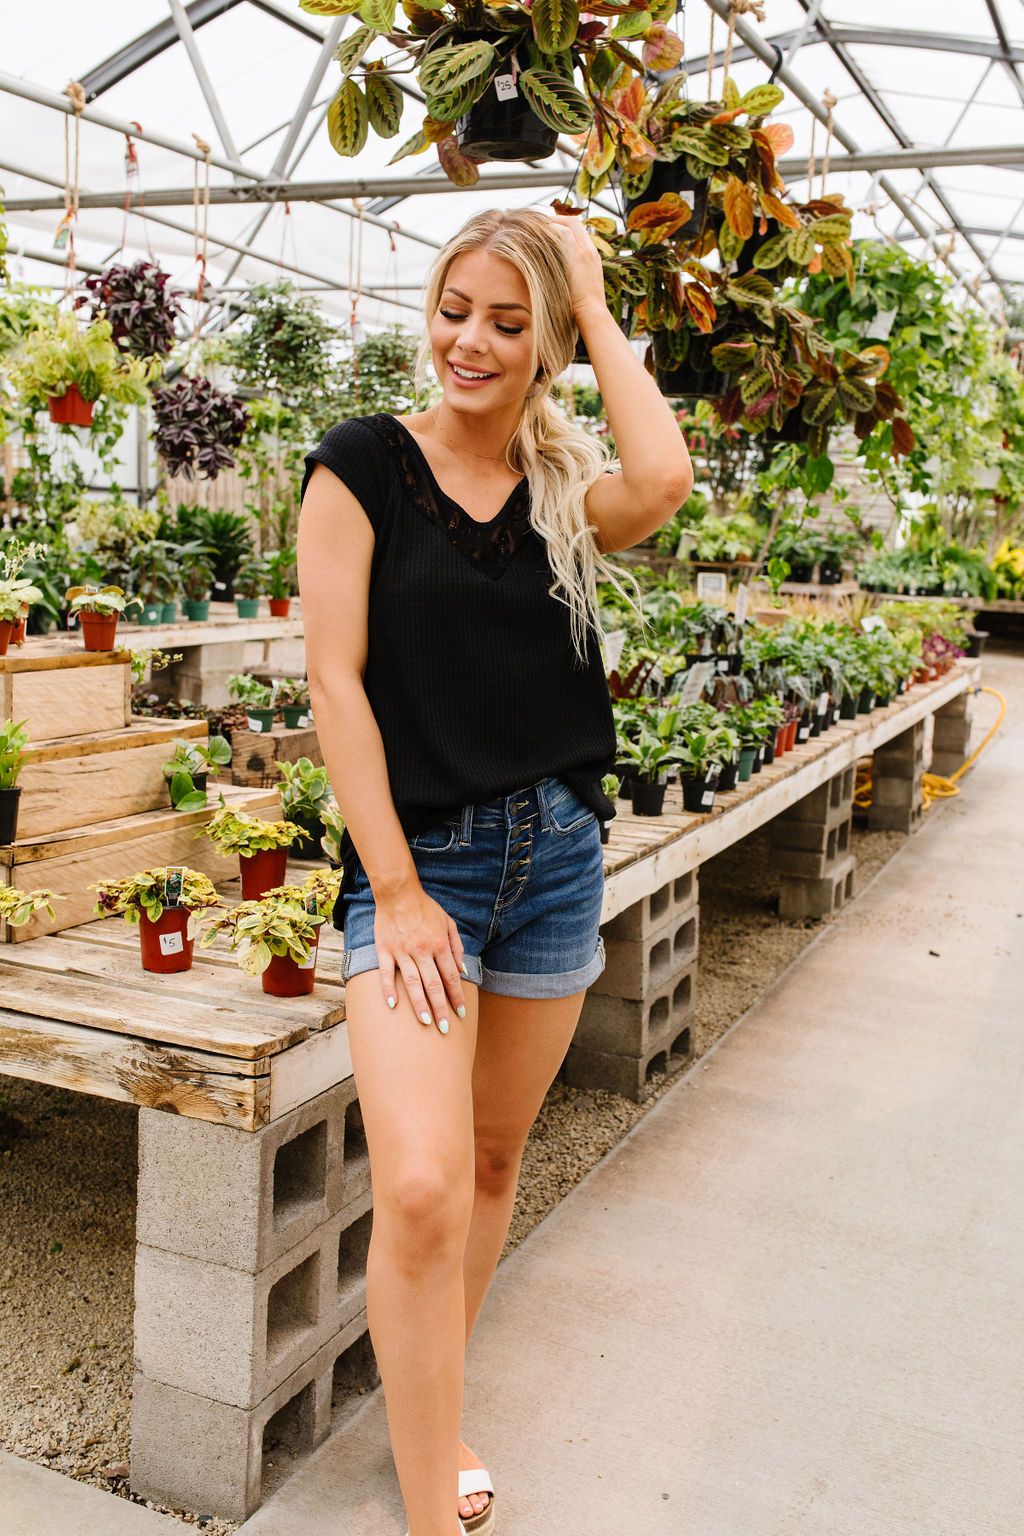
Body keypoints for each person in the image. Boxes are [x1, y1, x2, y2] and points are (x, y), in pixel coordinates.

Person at [297, 207, 693, 1536]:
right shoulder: (360, 466)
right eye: (457, 309)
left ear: (547, 348)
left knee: (482, 1161)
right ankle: (424, 1511)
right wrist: (397, 890)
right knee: (412, 1183)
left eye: (508, 323)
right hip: (428, 874)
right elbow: (335, 687)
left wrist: (583, 282)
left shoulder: (563, 496)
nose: (471, 340)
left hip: (559, 859)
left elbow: (669, 474)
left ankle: (430, 1415)